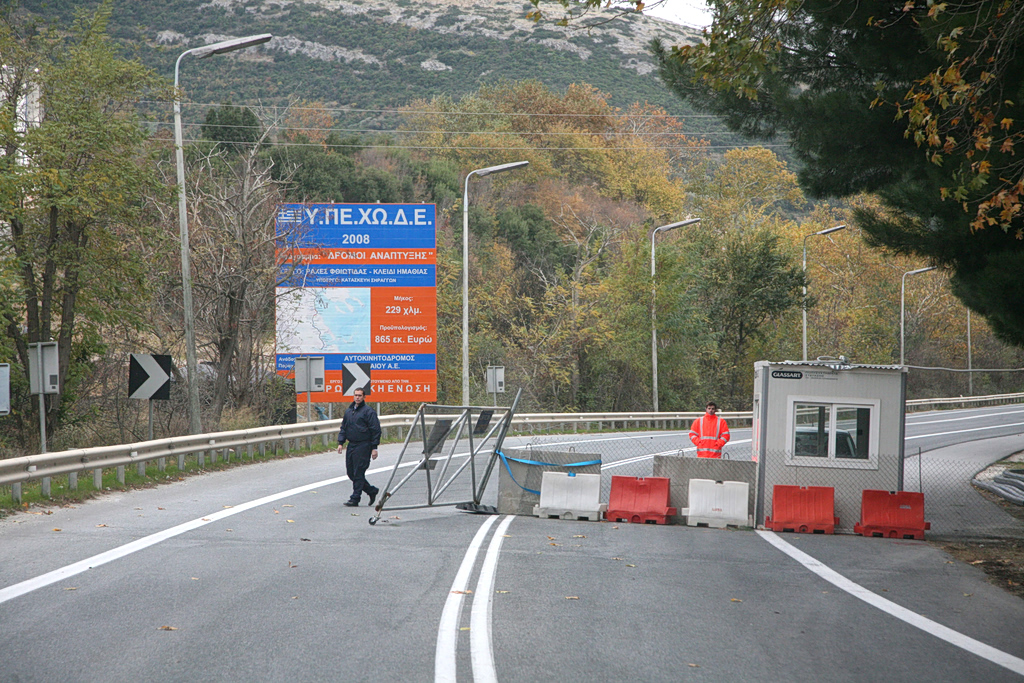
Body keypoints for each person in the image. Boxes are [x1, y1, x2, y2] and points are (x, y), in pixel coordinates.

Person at [337, 387, 381, 507]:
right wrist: (341, 443)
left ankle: (355, 498)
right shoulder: (349, 411)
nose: (357, 397)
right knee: (351, 473)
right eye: (356, 395)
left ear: (364, 397)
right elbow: (344, 428)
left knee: (359, 472)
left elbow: (375, 430)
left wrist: (374, 448)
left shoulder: (368, 412)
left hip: (364, 445)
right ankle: (371, 491)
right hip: (352, 445)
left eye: (360, 395)